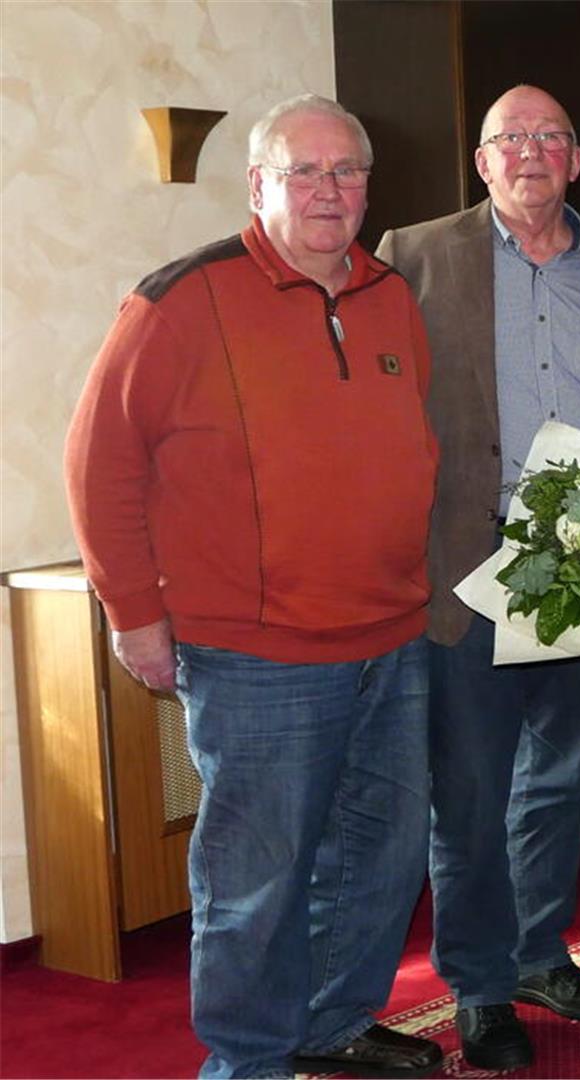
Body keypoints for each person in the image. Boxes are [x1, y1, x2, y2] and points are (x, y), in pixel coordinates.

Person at [64, 94, 442, 1079]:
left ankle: (333, 1023)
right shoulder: (182, 299)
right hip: (256, 655)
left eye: (348, 171)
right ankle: (247, 1060)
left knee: (382, 852)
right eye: (305, 172)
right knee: (255, 874)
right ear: (259, 185)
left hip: (392, 638)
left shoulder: (391, 295)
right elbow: (100, 463)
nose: (330, 191)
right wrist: (133, 615)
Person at [375, 84, 580, 1070]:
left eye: (550, 137)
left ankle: (540, 953)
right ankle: (481, 987)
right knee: (469, 792)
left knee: (556, 782)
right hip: (464, 560)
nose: (530, 152)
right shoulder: (411, 257)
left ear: (576, 161)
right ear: (483, 161)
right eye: (510, 139)